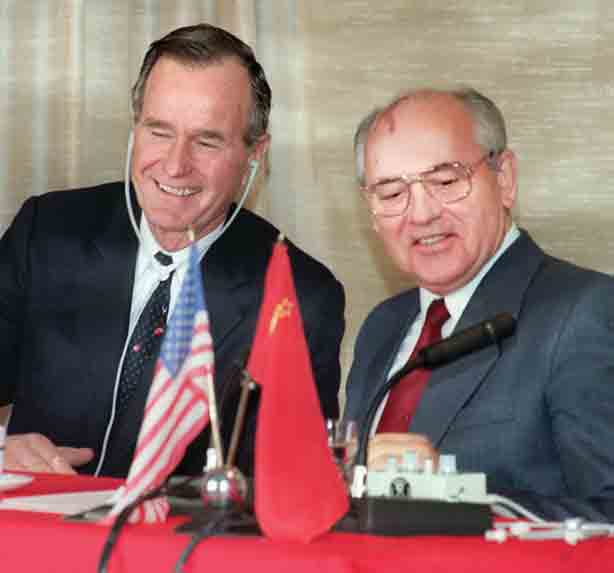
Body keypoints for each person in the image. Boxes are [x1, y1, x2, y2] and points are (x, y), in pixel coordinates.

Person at [0, 23, 345, 478]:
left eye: (207, 140)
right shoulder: (47, 233)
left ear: (255, 154)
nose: (176, 164)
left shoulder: (298, 296)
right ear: (135, 128)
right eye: (159, 132)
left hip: (182, 526)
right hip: (36, 518)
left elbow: (292, 480)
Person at [345, 86, 614, 519]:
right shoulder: (382, 326)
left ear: (504, 179)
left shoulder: (584, 313)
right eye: (392, 193)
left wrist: (453, 495)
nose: (421, 214)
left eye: (446, 181)